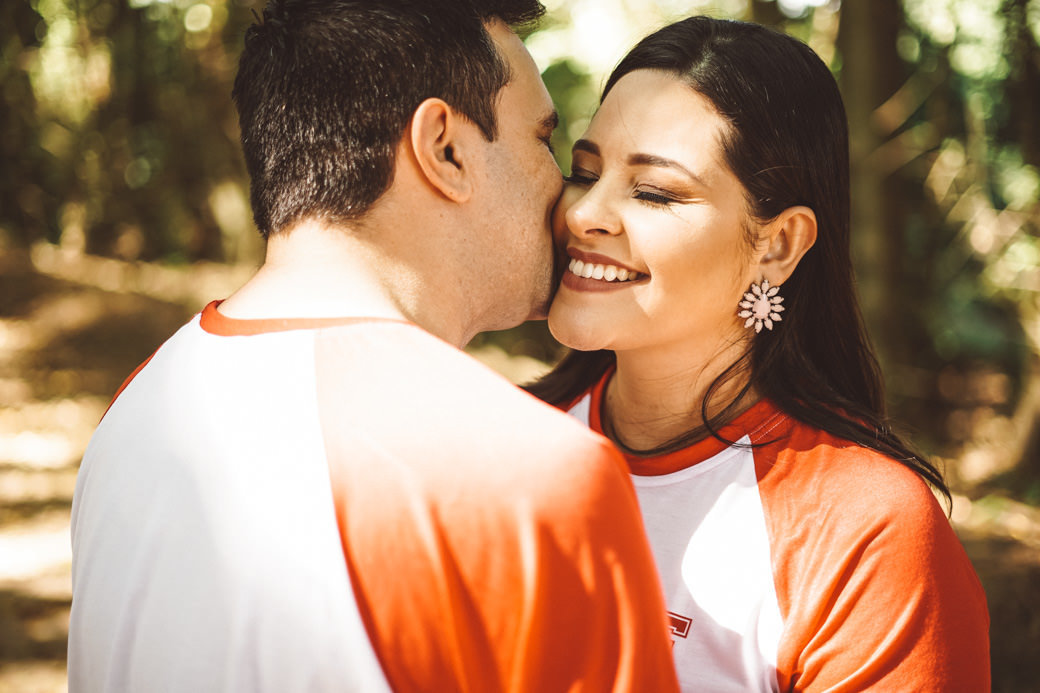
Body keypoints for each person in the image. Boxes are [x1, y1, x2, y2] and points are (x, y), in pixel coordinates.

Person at [67, 1, 681, 691]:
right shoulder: (529, 476)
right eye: (543, 140)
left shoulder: (138, 409)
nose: (570, 197)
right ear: (444, 148)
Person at [529, 16, 991, 692]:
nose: (584, 213)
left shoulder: (866, 530)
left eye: (654, 191)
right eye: (584, 170)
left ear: (776, 246)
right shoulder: (498, 444)